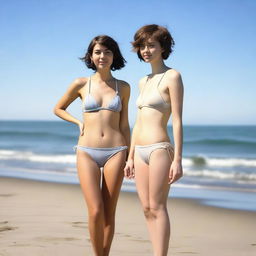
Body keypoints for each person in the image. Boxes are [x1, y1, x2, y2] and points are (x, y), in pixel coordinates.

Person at [54, 35, 130, 256]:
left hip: (117, 151)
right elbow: (58, 108)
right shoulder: (81, 84)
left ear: (113, 55)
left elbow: (125, 125)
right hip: (86, 151)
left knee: (109, 212)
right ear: (90, 56)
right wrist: (78, 122)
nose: (102, 56)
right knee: (95, 211)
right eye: (97, 52)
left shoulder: (123, 87)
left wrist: (130, 155)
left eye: (107, 52)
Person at [124, 24, 184, 256]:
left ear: (162, 47)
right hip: (139, 151)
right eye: (142, 46)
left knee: (158, 207)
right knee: (147, 208)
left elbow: (177, 120)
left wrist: (177, 158)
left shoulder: (173, 76)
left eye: (151, 45)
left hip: (160, 149)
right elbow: (137, 123)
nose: (146, 50)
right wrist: (130, 157)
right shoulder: (143, 81)